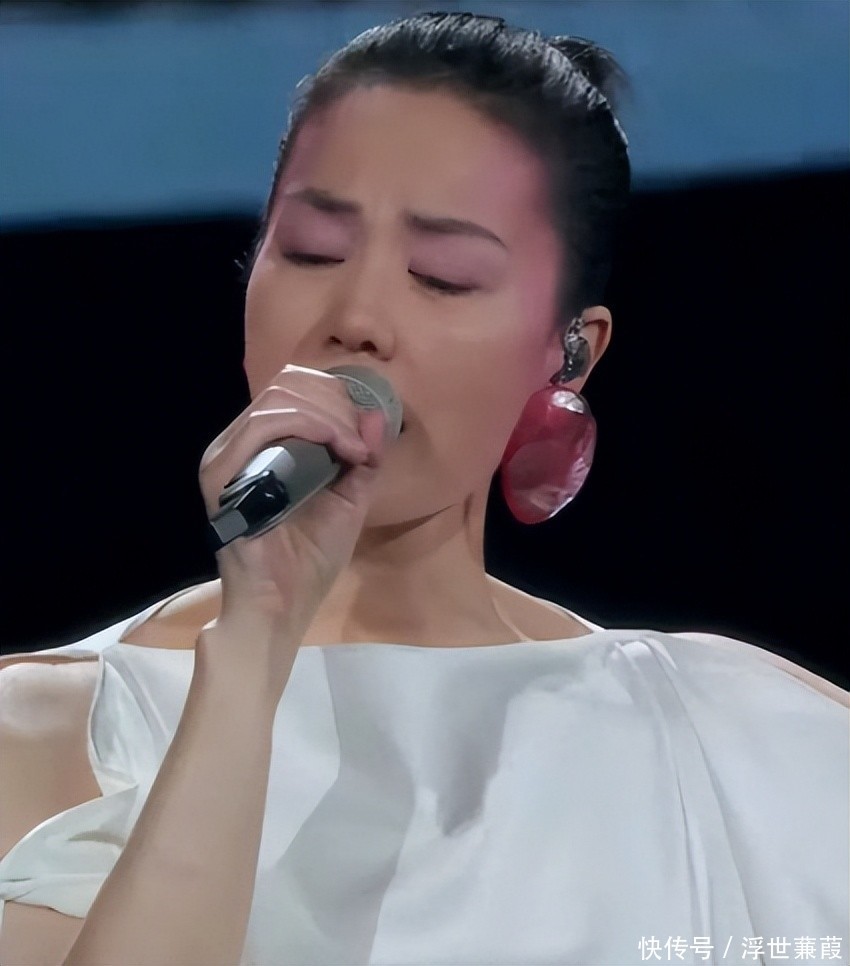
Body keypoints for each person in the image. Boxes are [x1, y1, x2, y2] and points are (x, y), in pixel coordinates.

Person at [0, 11, 846, 966]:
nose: (357, 317)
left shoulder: (744, 745)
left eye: (443, 276)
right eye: (312, 251)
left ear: (571, 351)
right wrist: (252, 646)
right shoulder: (48, 732)